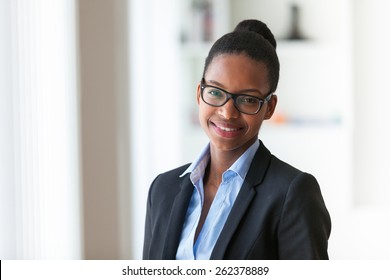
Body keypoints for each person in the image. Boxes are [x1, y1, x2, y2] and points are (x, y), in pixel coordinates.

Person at [143, 19, 331, 260]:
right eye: (215, 92)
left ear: (270, 107)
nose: (227, 112)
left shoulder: (292, 194)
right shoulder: (162, 190)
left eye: (248, 99)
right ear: (199, 94)